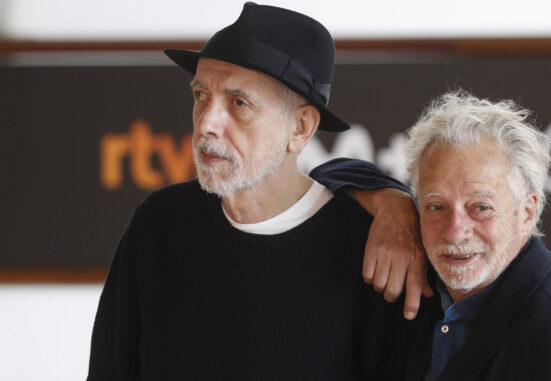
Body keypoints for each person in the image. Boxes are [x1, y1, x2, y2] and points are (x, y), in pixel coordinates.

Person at [86, 3, 430, 380]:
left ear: (300, 128)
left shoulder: (372, 251)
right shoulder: (158, 223)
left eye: (239, 103)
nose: (207, 124)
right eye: (201, 95)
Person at [315, 90, 551, 380]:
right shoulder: (431, 279)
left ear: (526, 212)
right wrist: (392, 205)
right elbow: (323, 175)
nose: (455, 231)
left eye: (481, 207)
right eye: (436, 206)